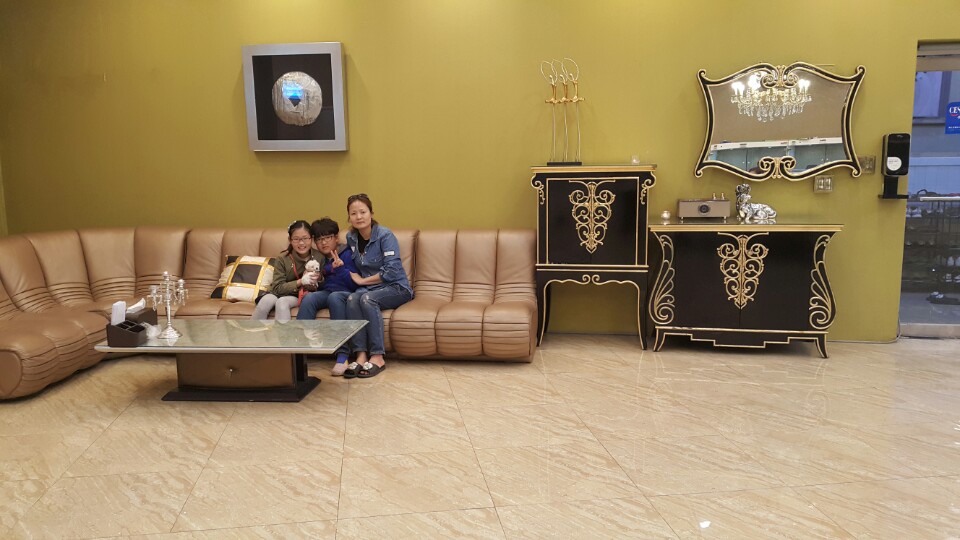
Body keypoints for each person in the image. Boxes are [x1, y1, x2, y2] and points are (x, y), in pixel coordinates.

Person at [335, 194, 413, 379]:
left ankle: (377, 356)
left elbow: (392, 272)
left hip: (396, 287)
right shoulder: (351, 237)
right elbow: (353, 265)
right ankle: (361, 355)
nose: (359, 217)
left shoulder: (385, 235)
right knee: (352, 298)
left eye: (363, 212)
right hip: (371, 289)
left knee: (367, 299)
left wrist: (363, 281)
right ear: (349, 217)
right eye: (354, 213)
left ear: (371, 213)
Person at [296, 217, 360, 375]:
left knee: (334, 297)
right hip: (327, 292)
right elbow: (321, 283)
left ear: (336, 238)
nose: (323, 242)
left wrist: (341, 269)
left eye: (327, 238)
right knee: (309, 298)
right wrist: (314, 281)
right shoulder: (318, 258)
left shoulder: (348, 254)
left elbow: (355, 284)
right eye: (319, 239)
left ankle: (342, 356)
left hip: (346, 293)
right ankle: (297, 352)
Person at [251, 220, 322, 321]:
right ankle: (252, 331)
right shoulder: (282, 258)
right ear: (290, 240)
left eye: (305, 238)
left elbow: (323, 284)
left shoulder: (319, 257)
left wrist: (318, 278)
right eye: (296, 239)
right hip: (278, 293)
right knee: (265, 301)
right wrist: (300, 281)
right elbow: (277, 288)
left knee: (282, 302)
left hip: (299, 295)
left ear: (312, 238)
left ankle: (284, 332)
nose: (301, 243)